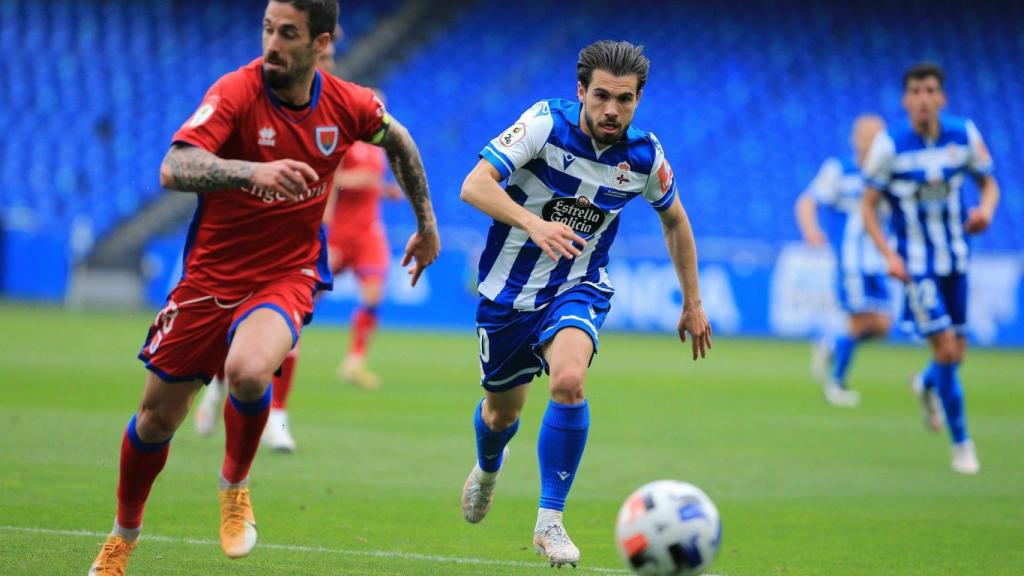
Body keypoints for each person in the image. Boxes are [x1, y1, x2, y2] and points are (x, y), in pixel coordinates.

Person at [88, 1, 440, 573]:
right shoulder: (236, 91)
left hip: (286, 273)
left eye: (288, 33)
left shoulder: (348, 103)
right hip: (210, 278)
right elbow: (174, 167)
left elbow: (397, 139)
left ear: (320, 43)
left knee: (250, 372)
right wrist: (252, 171)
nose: (272, 43)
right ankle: (122, 538)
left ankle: (234, 488)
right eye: (268, 29)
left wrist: (426, 224)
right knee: (155, 420)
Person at [457, 40, 712, 568]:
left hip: (579, 283)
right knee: (501, 413)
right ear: (581, 91)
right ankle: (488, 468)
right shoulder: (544, 125)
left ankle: (549, 521)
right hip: (507, 293)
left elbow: (675, 221)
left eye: (625, 99)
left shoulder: (645, 157)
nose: (612, 109)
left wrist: (693, 301)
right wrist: (533, 224)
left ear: (638, 100)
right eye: (601, 96)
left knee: (569, 381)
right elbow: (474, 186)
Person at [862, 62, 999, 475]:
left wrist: (986, 212)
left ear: (942, 98)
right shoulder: (889, 145)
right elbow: (868, 206)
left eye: (929, 91)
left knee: (956, 354)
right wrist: (889, 255)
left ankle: (925, 383)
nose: (923, 99)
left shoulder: (964, 134)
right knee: (945, 350)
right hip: (916, 265)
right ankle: (962, 445)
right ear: (906, 101)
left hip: (956, 258)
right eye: (915, 92)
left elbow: (989, 183)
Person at [795, 115, 891, 407]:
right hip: (851, 259)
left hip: (877, 259)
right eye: (867, 136)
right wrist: (811, 230)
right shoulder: (840, 169)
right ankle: (836, 384)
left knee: (882, 325)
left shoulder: (887, 173)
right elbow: (807, 201)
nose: (873, 142)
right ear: (855, 139)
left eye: (878, 137)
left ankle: (831, 344)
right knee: (859, 321)